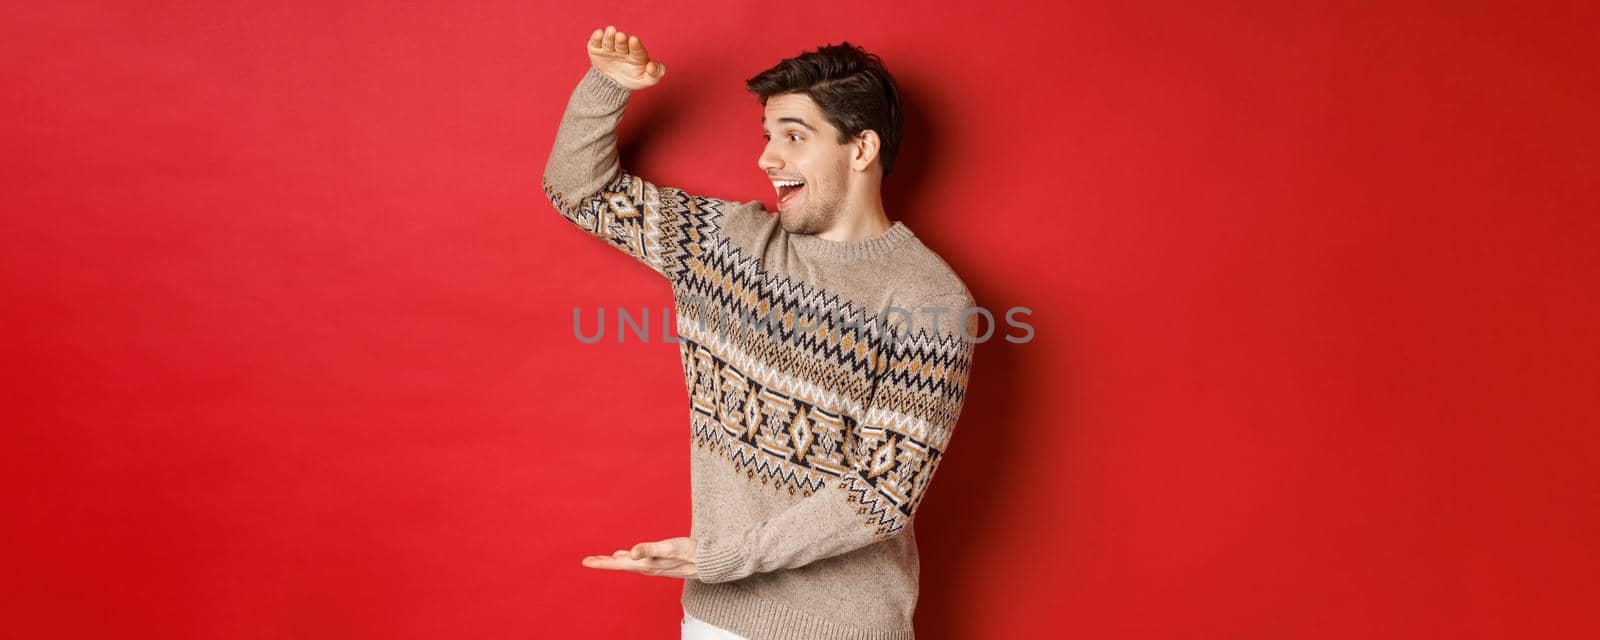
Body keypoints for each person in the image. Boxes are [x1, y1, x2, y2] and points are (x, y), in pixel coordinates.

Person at [546, 25, 979, 640]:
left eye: (794, 138)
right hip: (715, 621)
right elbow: (578, 192)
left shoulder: (928, 300)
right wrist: (608, 86)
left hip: (843, 629)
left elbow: (882, 496)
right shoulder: (723, 244)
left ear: (860, 150)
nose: (767, 159)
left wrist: (725, 559)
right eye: (768, 137)